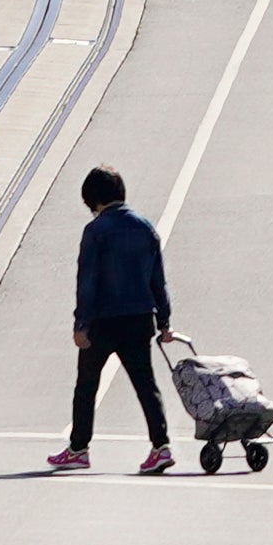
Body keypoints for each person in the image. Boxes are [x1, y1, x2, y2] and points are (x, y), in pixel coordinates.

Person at [49, 163, 175, 473]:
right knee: (146, 385)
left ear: (93, 200)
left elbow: (87, 281)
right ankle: (161, 446)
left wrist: (81, 324)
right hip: (139, 318)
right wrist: (165, 322)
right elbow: (158, 279)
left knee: (86, 385)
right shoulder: (145, 227)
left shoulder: (96, 231)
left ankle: (79, 449)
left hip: (103, 322)